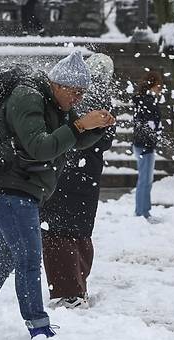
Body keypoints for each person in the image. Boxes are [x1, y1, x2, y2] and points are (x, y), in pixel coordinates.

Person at [0, 51, 116, 340]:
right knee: (28, 261)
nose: (79, 99)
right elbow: (39, 147)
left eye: (83, 93)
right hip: (11, 190)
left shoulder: (56, 102)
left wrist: (95, 127)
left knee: (3, 261)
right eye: (75, 92)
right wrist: (79, 126)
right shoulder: (29, 99)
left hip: (20, 190)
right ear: (59, 84)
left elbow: (71, 140)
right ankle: (39, 330)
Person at [40, 53, 117, 309]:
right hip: (87, 173)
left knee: (58, 231)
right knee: (79, 232)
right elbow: (104, 140)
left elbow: (65, 132)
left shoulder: (78, 98)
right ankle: (77, 287)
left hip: (67, 171)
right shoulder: (102, 100)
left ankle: (68, 292)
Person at [132, 70, 163, 221]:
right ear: (153, 85)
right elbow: (150, 124)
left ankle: (143, 210)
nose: (160, 89)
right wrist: (155, 135)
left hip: (141, 144)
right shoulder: (148, 101)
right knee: (145, 180)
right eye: (159, 85)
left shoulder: (142, 100)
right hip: (145, 145)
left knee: (144, 179)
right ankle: (142, 212)